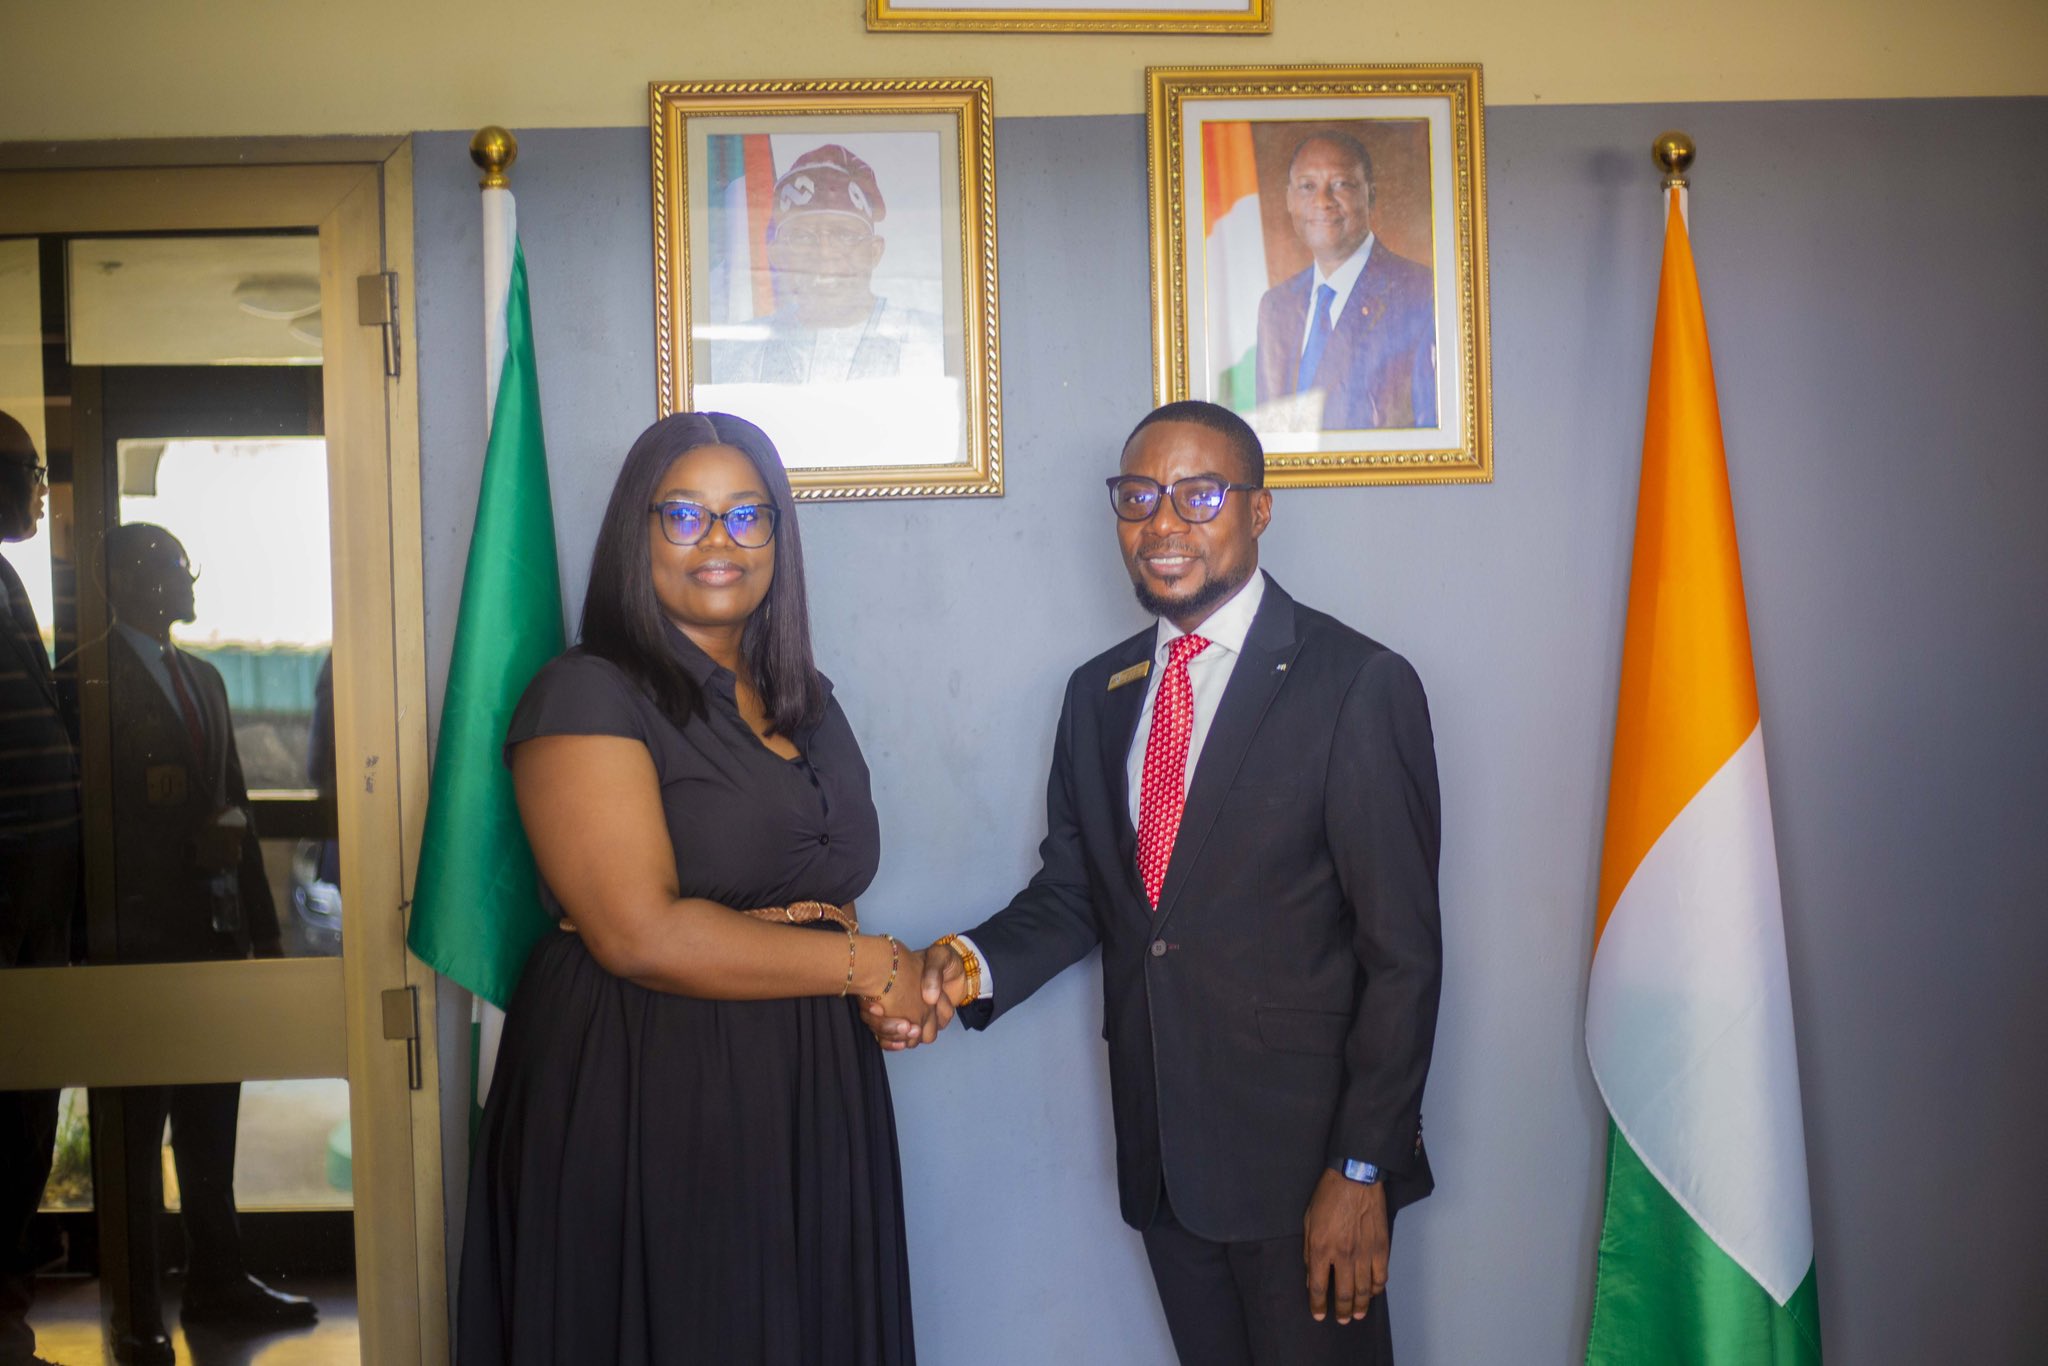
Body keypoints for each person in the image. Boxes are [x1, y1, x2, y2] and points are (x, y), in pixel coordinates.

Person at [873, 401, 1443, 1365]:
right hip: (1166, 1159)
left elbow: (1404, 956)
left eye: (1198, 495)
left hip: (1309, 1169)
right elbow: (1078, 894)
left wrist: (1362, 1167)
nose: (1163, 523)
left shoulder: (1356, 684)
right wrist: (960, 967)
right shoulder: (1098, 694)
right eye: (1138, 498)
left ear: (1258, 510)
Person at [457, 411, 926, 1365]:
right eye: (685, 515)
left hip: (808, 1087)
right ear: (637, 532)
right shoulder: (586, 693)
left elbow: (814, 884)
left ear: (778, 537)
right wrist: (871, 966)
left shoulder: (804, 696)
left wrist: (888, 990)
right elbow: (639, 934)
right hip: (651, 1085)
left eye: (748, 515)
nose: (720, 541)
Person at [101, 523, 315, 1362]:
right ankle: (135, 1310)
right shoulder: (86, 679)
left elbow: (237, 811)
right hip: (136, 946)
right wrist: (177, 851)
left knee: (209, 1121)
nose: (188, 580)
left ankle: (217, 1281)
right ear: (129, 580)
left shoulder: (206, 679)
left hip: (215, 938)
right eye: (172, 566)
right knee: (134, 1133)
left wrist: (262, 929)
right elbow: (94, 824)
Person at [0, 411, 78, 1366]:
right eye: (27, 470)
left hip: (38, 902)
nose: (41, 491)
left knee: (26, 1113)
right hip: (10, 899)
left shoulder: (7, 579)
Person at [710, 144, 944, 387]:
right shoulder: (734, 354)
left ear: (874, 251)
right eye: (802, 237)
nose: (824, 253)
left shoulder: (932, 341)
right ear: (777, 254)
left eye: (844, 235)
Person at [1253, 132, 1439, 432]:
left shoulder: (1422, 294)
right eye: (1307, 186)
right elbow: (1269, 435)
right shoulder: (1275, 306)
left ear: (1370, 195)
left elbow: (1433, 438)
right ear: (1289, 199)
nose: (1323, 201)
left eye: (1341, 184)